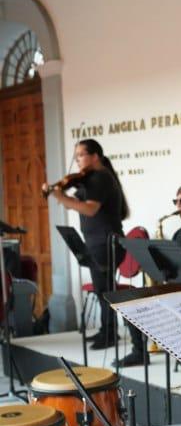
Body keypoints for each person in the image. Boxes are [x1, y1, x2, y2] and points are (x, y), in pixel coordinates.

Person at [46, 138, 134, 353]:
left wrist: (58, 195)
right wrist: (60, 191)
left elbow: (89, 209)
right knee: (101, 289)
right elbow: (77, 202)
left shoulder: (101, 178)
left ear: (95, 156)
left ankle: (110, 333)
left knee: (104, 290)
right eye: (75, 157)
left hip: (106, 243)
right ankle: (107, 331)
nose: (77, 161)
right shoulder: (90, 179)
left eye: (81, 155)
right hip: (96, 242)